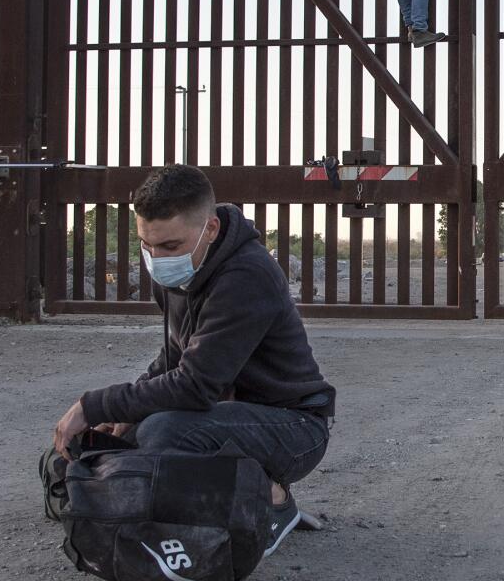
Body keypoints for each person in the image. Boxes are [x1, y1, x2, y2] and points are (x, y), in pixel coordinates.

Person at [52, 164, 336, 552]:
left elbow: (194, 386)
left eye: (170, 246)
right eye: (146, 244)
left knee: (163, 433)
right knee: (103, 444)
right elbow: (173, 361)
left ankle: (271, 499)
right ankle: (217, 492)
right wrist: (119, 414)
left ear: (211, 229)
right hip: (226, 417)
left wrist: (94, 403)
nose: (156, 257)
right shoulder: (179, 272)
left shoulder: (246, 275)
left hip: (292, 426)